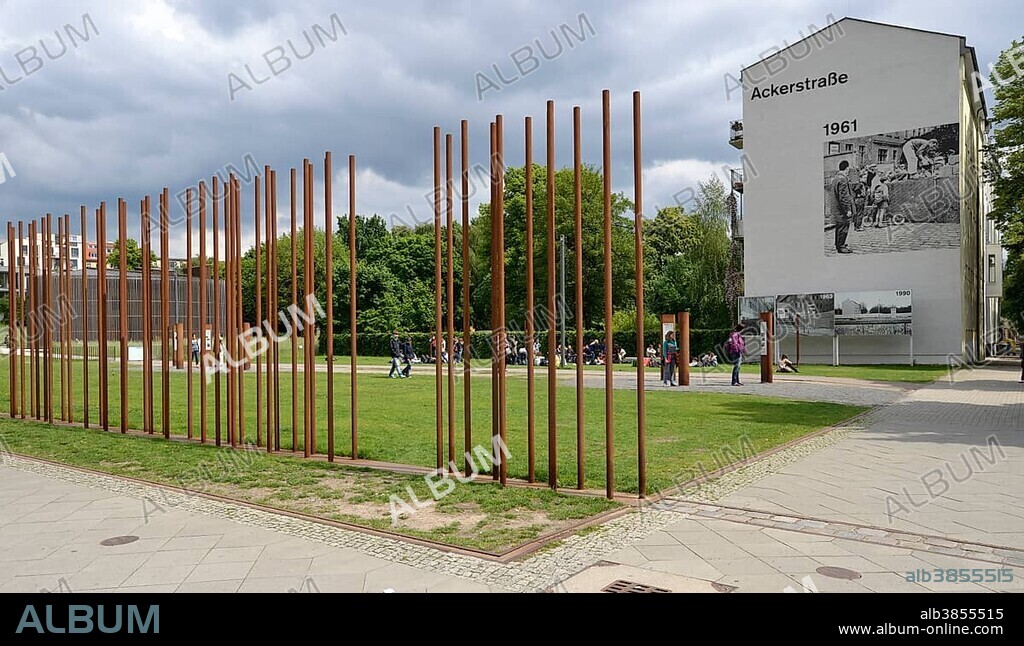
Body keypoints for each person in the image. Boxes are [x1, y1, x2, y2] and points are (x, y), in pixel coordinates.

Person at [832, 160, 855, 254]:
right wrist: (848, 210)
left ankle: (838, 244)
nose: (848, 171)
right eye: (848, 169)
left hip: (837, 207)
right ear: (846, 168)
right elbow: (844, 197)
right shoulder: (842, 179)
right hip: (842, 208)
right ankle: (841, 246)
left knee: (839, 226)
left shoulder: (836, 178)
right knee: (844, 226)